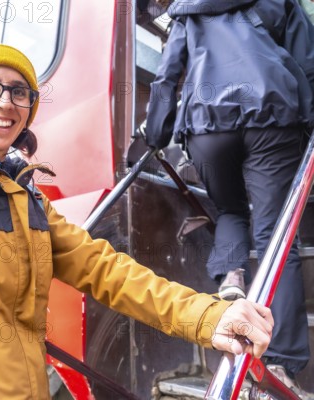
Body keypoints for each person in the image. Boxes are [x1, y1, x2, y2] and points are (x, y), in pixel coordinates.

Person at [0, 44, 274, 399]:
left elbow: (106, 270)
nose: (5, 102)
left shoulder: (26, 196)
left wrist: (205, 315)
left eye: (20, 92)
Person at [145, 0, 314, 396]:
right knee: (277, 234)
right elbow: (306, 60)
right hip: (273, 116)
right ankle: (281, 362)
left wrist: (156, 136)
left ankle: (232, 276)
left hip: (208, 123)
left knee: (230, 210)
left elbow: (167, 76)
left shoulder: (187, 9)